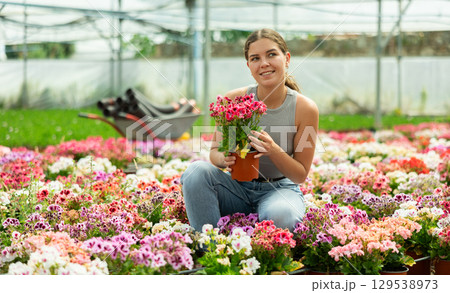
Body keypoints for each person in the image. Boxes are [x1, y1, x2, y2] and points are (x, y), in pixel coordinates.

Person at [181, 28, 319, 232]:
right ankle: (209, 248)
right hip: (236, 190)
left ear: (287, 58)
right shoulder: (234, 99)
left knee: (283, 214)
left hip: (279, 191)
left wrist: (273, 150)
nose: (264, 63)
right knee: (195, 172)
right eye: (255, 58)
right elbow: (215, 153)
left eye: (272, 54)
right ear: (249, 65)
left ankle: (256, 240)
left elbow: (300, 175)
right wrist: (224, 159)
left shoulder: (305, 108)